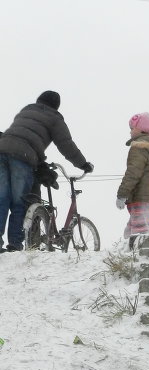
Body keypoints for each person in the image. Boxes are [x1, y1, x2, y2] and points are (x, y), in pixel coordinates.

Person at [0, 90, 93, 252]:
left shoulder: (26, 110)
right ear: (56, 106)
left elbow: (22, 134)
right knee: (19, 202)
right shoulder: (55, 119)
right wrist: (83, 164)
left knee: (2, 198)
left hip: (2, 150)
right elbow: (66, 145)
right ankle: (14, 244)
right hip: (22, 157)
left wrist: (40, 161)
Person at [116, 112, 149, 248]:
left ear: (141, 129)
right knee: (130, 231)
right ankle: (125, 257)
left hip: (141, 197)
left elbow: (133, 173)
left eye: (132, 128)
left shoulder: (138, 147)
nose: (130, 131)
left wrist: (122, 194)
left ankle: (135, 258)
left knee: (138, 234)